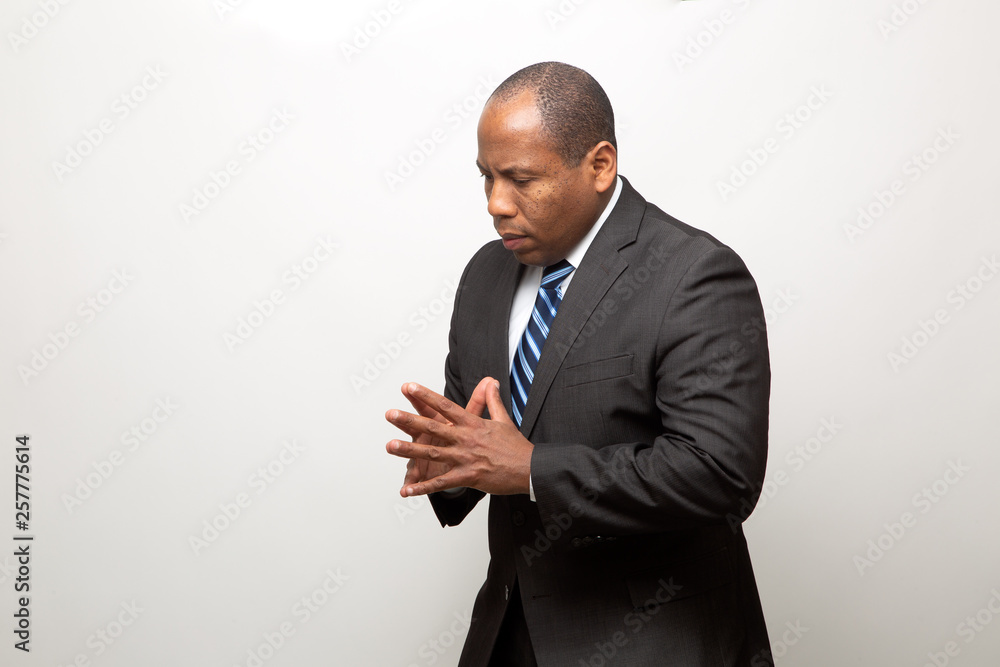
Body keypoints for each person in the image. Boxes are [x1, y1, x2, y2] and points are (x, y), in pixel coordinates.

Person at [385, 62, 773, 666]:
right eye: (486, 177)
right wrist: (450, 462)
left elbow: (720, 477)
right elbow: (484, 446)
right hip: (506, 640)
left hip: (653, 645)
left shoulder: (693, 275)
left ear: (599, 166)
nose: (495, 204)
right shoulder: (485, 274)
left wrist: (532, 468)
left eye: (520, 179)